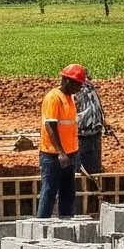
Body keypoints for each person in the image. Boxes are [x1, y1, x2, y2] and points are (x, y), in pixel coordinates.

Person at [38, 66, 83, 219]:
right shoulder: (53, 98)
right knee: (49, 192)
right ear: (66, 80)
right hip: (53, 155)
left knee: (68, 194)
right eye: (77, 84)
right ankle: (41, 227)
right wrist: (60, 152)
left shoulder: (69, 98)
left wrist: (73, 152)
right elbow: (50, 125)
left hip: (69, 155)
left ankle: (66, 227)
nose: (79, 88)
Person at [68, 62, 105, 177]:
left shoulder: (90, 88)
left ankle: (94, 187)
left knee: (94, 165)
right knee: (83, 165)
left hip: (95, 131)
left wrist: (103, 121)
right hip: (82, 133)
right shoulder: (74, 90)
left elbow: (97, 106)